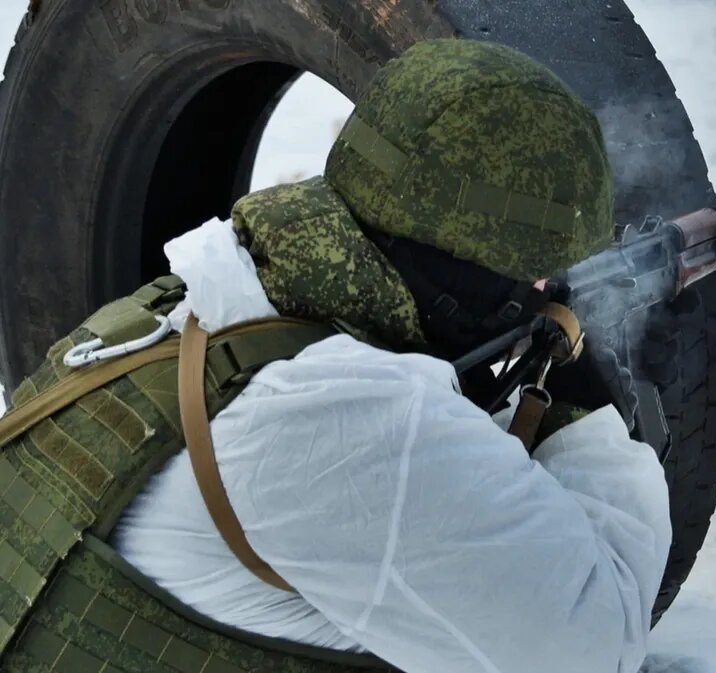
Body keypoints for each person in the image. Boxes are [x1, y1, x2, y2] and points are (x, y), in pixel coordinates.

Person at [0, 39, 672, 673]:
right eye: (536, 277)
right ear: (479, 276)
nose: (539, 293)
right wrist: (580, 390)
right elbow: (597, 646)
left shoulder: (228, 296)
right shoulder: (371, 419)